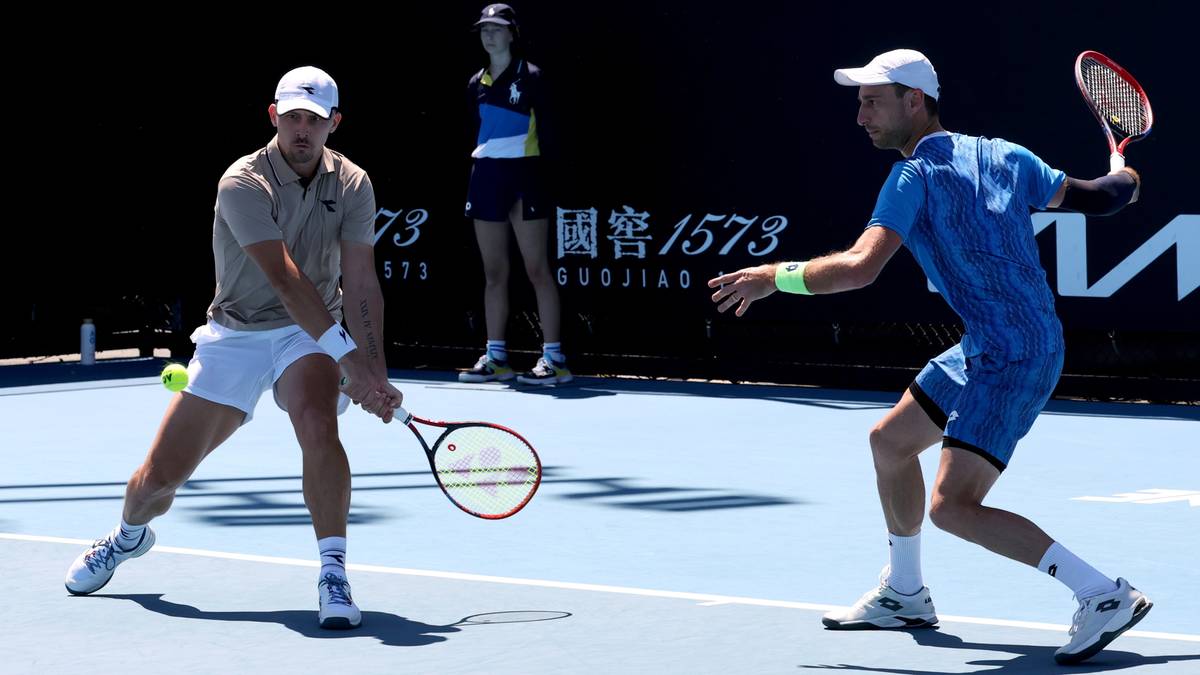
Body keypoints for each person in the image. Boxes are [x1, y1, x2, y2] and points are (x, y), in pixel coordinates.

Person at [707, 49, 1150, 665]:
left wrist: (775, 277)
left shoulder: (910, 178)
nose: (860, 115)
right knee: (890, 442)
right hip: (989, 344)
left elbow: (860, 269)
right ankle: (906, 593)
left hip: (1014, 356)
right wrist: (1124, 177)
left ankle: (1102, 594)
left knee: (953, 508)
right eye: (859, 102)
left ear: (914, 101)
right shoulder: (1005, 154)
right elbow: (1102, 198)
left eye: (872, 101)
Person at [64, 66, 403, 630]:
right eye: (292, 117)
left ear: (333, 125)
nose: (302, 130)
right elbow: (286, 280)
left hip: (307, 335)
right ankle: (126, 538)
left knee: (319, 423)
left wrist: (375, 371)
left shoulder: (354, 185)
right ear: (273, 116)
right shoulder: (242, 182)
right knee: (156, 482)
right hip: (237, 333)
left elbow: (362, 280)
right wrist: (353, 363)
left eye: (314, 121)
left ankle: (333, 570)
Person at [460, 3, 572, 386]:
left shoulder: (533, 77)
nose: (489, 34)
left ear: (512, 34)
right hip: (487, 176)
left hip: (526, 175)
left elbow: (551, 135)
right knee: (494, 273)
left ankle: (554, 359)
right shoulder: (476, 83)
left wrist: (543, 177)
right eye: (484, 29)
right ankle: (496, 359)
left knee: (537, 269)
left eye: (497, 28)